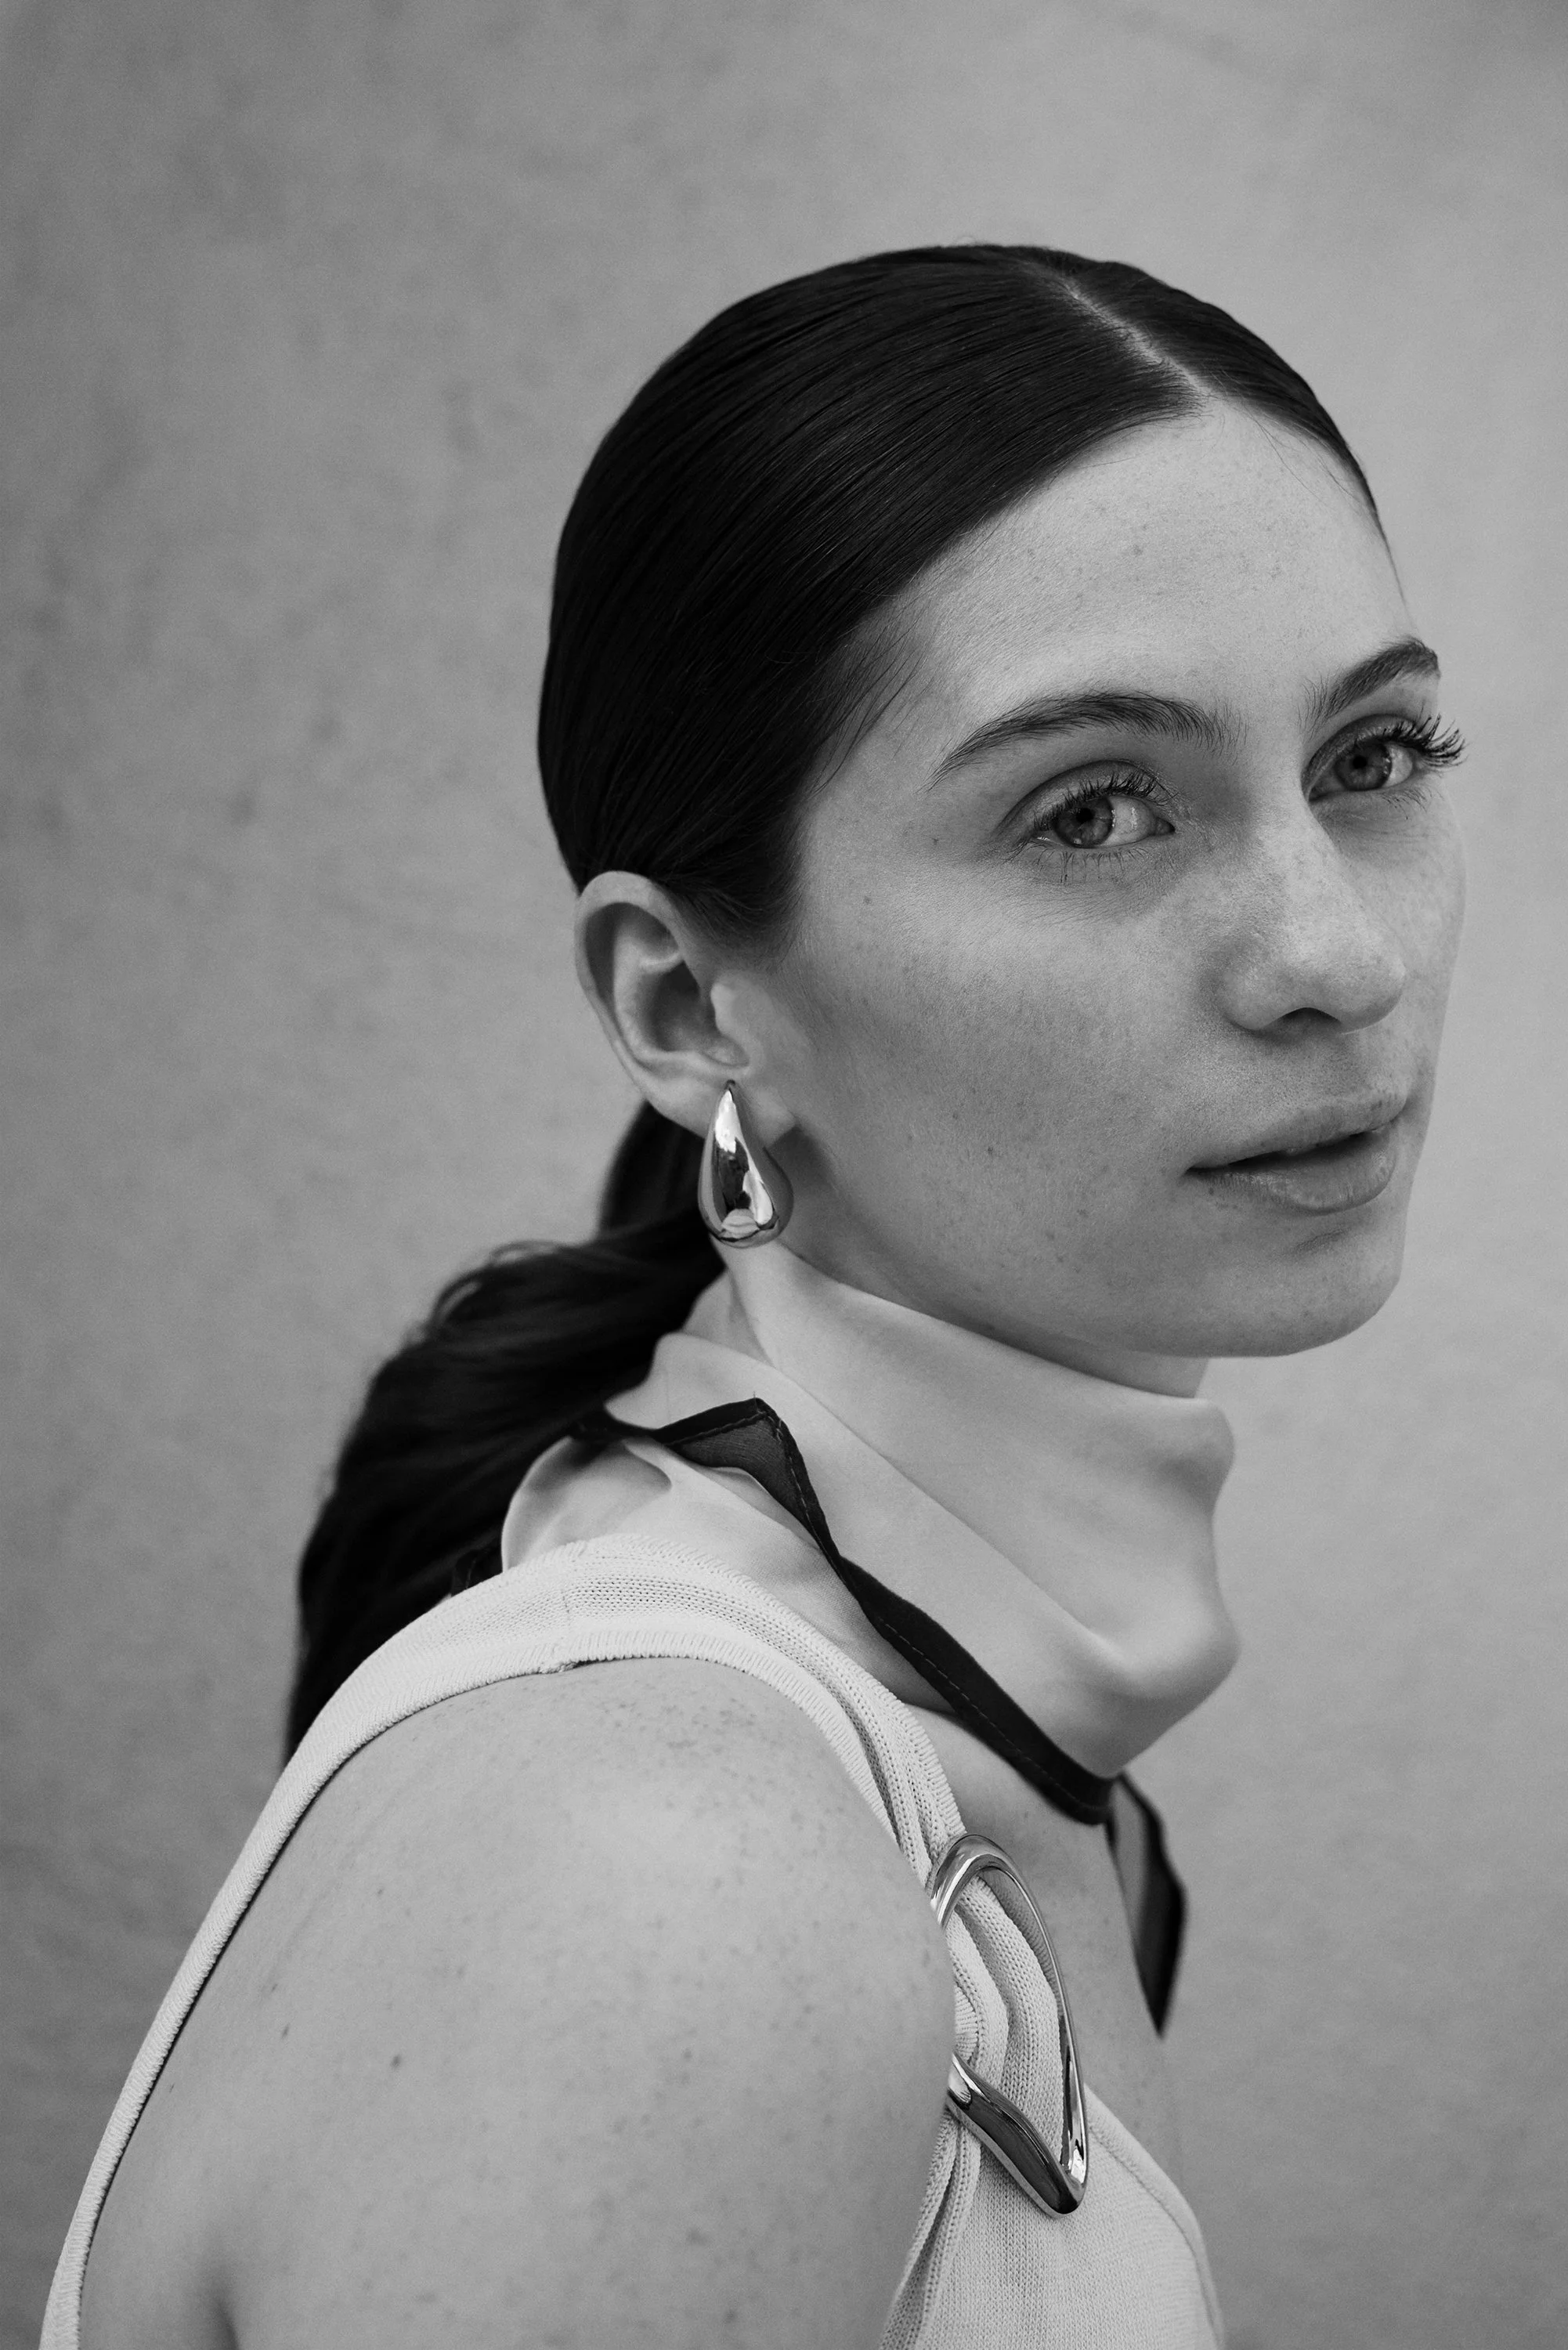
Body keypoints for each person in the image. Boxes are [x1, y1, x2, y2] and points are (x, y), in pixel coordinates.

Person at [46, 244, 1466, 2348]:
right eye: (1093, 809)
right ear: (690, 1001)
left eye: (1373, 759)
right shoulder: (665, 1862)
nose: (1333, 950)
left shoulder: (950, 1764)